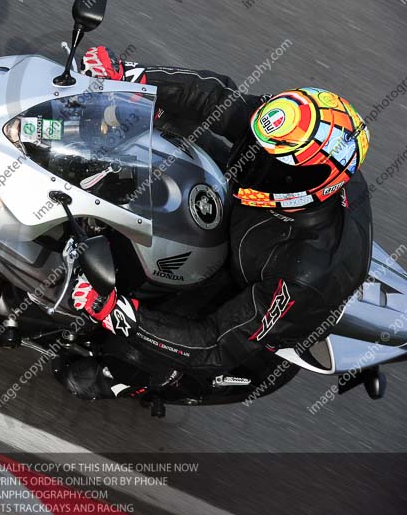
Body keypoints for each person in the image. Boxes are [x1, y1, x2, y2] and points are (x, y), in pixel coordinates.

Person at [58, 46, 373, 400]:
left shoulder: (303, 274)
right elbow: (219, 100)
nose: (251, 160)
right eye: (255, 147)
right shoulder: (289, 140)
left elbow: (216, 343)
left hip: (244, 281)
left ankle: (124, 378)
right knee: (163, 117)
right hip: (247, 218)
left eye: (271, 167)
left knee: (128, 354)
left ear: (308, 184)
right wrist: (134, 76)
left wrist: (119, 314)